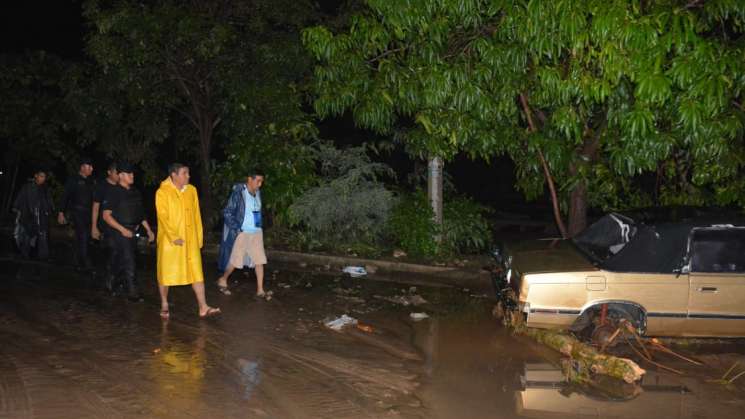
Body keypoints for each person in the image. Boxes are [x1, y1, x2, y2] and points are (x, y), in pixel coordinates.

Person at [155, 163, 220, 319]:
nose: (188, 176)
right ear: (174, 175)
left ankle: (203, 307)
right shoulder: (162, 192)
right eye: (185, 173)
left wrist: (199, 238)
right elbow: (162, 217)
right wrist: (173, 236)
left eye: (188, 173)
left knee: (196, 273)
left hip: (190, 240)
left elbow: (197, 215)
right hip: (170, 242)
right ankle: (164, 303)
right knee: (166, 273)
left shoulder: (191, 190)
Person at [102, 162, 155, 301]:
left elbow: (141, 214)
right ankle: (132, 292)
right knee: (129, 260)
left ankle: (111, 281)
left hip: (133, 231)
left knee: (121, 259)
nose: (132, 176)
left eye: (132, 173)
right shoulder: (113, 192)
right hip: (119, 231)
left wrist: (149, 230)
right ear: (120, 175)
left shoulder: (135, 192)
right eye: (129, 173)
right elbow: (106, 216)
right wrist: (122, 229)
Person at [216, 169, 267, 298]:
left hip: (256, 232)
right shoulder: (239, 193)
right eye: (258, 181)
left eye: (261, 181)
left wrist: (259, 226)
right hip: (243, 233)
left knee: (259, 260)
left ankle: (260, 290)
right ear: (250, 179)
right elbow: (227, 212)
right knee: (235, 261)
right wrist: (237, 228)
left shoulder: (257, 193)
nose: (260, 184)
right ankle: (223, 278)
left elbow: (257, 211)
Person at [58, 157, 95, 270]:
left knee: (83, 237)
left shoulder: (91, 181)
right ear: (82, 167)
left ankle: (76, 260)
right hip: (77, 212)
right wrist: (61, 212)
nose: (92, 169)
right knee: (83, 234)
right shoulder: (73, 179)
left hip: (88, 213)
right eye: (89, 167)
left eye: (92, 167)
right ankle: (84, 261)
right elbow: (65, 196)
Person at [13, 169, 54, 260]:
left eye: (44, 177)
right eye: (41, 176)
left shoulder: (45, 189)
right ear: (36, 176)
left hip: (42, 215)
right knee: (28, 235)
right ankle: (25, 254)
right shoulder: (27, 187)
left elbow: (49, 201)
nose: (43, 179)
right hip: (29, 214)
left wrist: (49, 209)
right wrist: (16, 208)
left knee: (42, 235)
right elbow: (21, 197)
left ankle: (43, 256)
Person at [92, 161, 120, 292]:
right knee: (109, 252)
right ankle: (106, 280)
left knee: (118, 253)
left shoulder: (121, 187)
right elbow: (96, 207)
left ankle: (114, 279)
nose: (118, 175)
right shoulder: (102, 186)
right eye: (116, 173)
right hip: (105, 226)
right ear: (109, 172)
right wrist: (94, 226)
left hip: (119, 225)